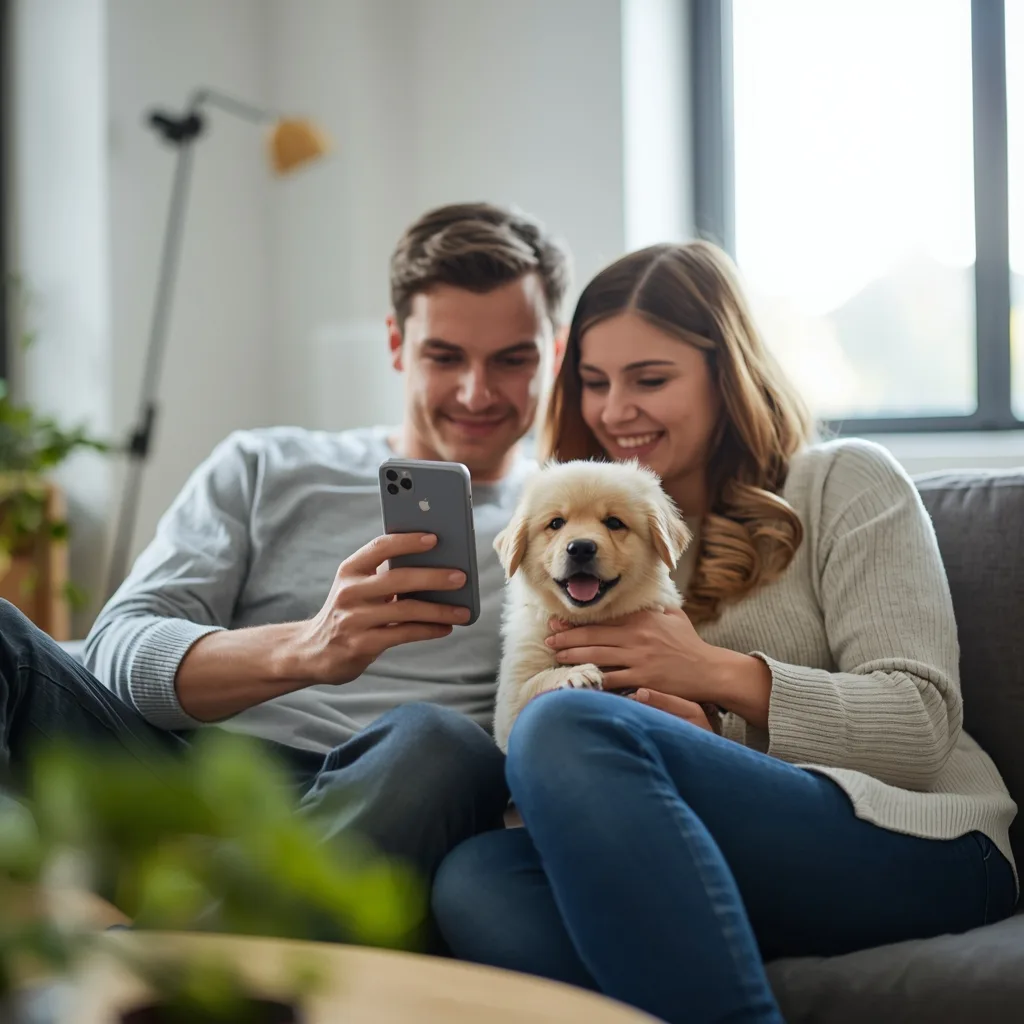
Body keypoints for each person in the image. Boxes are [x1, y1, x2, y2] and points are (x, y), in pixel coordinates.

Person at [430, 241, 1018, 1024]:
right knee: (476, 876)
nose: (613, 410)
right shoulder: (598, 535)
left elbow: (920, 725)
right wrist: (692, 735)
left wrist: (711, 673)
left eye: (651, 379)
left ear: (724, 375)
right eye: (595, 382)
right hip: (719, 848)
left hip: (919, 841)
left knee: (566, 726)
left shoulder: (846, 481)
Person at [0, 201, 571, 889]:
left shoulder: (569, 526)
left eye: (513, 360)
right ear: (395, 344)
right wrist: (308, 648)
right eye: (443, 356)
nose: (476, 392)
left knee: (444, 746)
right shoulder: (266, 464)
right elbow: (116, 651)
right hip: (191, 773)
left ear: (556, 351)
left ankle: (205, 942)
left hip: (386, 794)